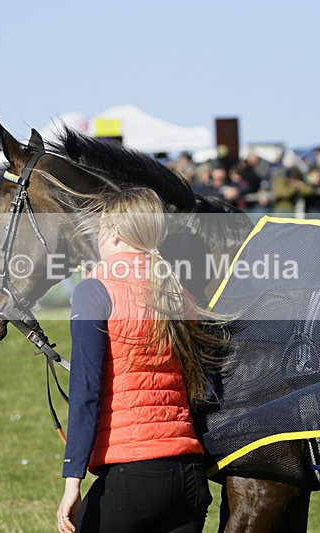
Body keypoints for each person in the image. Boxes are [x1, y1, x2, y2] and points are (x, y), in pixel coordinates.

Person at [57, 188, 222, 533]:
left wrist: (72, 477)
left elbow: (85, 389)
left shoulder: (94, 289)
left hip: (134, 473)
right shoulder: (179, 291)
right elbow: (204, 385)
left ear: (114, 232)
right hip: (191, 475)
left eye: (100, 229)